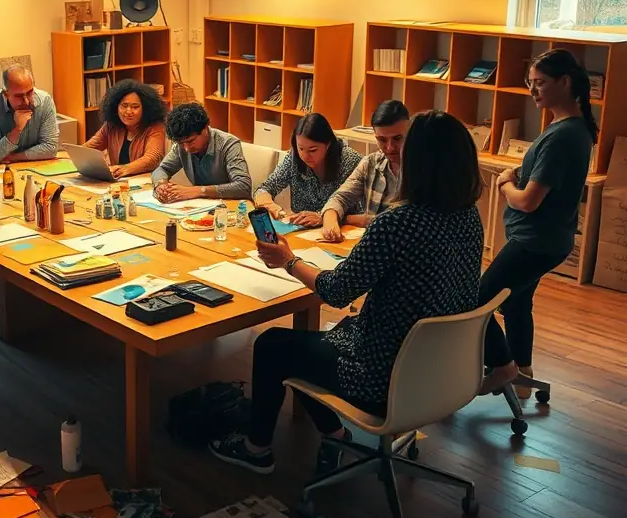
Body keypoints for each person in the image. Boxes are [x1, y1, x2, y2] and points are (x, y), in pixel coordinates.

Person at [209, 111, 483, 475]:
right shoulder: (469, 217)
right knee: (315, 342)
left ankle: (256, 448)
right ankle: (335, 432)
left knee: (274, 344)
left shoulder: (397, 223)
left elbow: (336, 291)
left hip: (380, 376)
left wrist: (288, 260)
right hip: (439, 370)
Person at [478, 49, 598, 396]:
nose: (533, 91)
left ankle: (503, 368)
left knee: (477, 300)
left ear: (565, 82)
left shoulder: (563, 135)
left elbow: (528, 201)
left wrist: (504, 183)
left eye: (540, 83)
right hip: (550, 241)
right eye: (530, 83)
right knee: (515, 303)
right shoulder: (572, 129)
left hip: (534, 242)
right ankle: (523, 375)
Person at [320, 99, 409, 242]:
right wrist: (330, 222)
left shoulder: (422, 170)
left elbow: (401, 225)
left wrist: (352, 219)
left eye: (397, 138)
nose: (390, 147)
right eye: (382, 140)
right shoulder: (371, 163)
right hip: (370, 247)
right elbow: (340, 197)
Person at [254, 113, 363, 226]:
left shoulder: (349, 161)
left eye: (312, 150)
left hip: (343, 231)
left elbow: (365, 216)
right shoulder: (295, 157)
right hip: (303, 230)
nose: (305, 156)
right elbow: (264, 189)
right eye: (301, 148)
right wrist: (276, 210)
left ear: (328, 144)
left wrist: (324, 217)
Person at [151, 102, 252, 202]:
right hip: (202, 206)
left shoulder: (228, 144)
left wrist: (200, 191)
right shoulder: (181, 145)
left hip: (231, 207)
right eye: (181, 143)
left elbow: (244, 186)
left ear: (204, 130)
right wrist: (161, 184)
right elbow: (162, 169)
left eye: (190, 141)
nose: (186, 148)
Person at [83, 79, 166, 177]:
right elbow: (88, 148)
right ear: (116, 107)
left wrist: (125, 169)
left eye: (135, 107)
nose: (128, 111)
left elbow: (152, 158)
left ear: (146, 109)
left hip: (144, 183)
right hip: (117, 182)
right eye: (124, 106)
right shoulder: (111, 125)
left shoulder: (155, 128)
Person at [0, 66, 59, 166]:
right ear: (5, 94)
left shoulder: (45, 101)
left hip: (37, 166)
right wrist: (17, 130)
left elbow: (51, 148)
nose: (26, 101)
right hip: (4, 171)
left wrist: (13, 157)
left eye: (30, 93)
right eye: (19, 96)